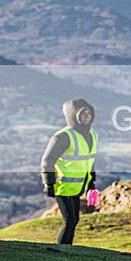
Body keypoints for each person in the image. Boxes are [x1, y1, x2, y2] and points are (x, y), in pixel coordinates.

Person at [41, 98, 98, 245]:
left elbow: (89, 160)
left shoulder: (92, 135)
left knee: (74, 220)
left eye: (89, 114)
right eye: (83, 114)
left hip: (77, 187)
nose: (87, 117)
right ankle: (61, 250)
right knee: (70, 220)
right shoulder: (63, 136)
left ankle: (67, 249)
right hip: (62, 186)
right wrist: (49, 184)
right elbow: (47, 161)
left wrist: (91, 184)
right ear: (74, 116)